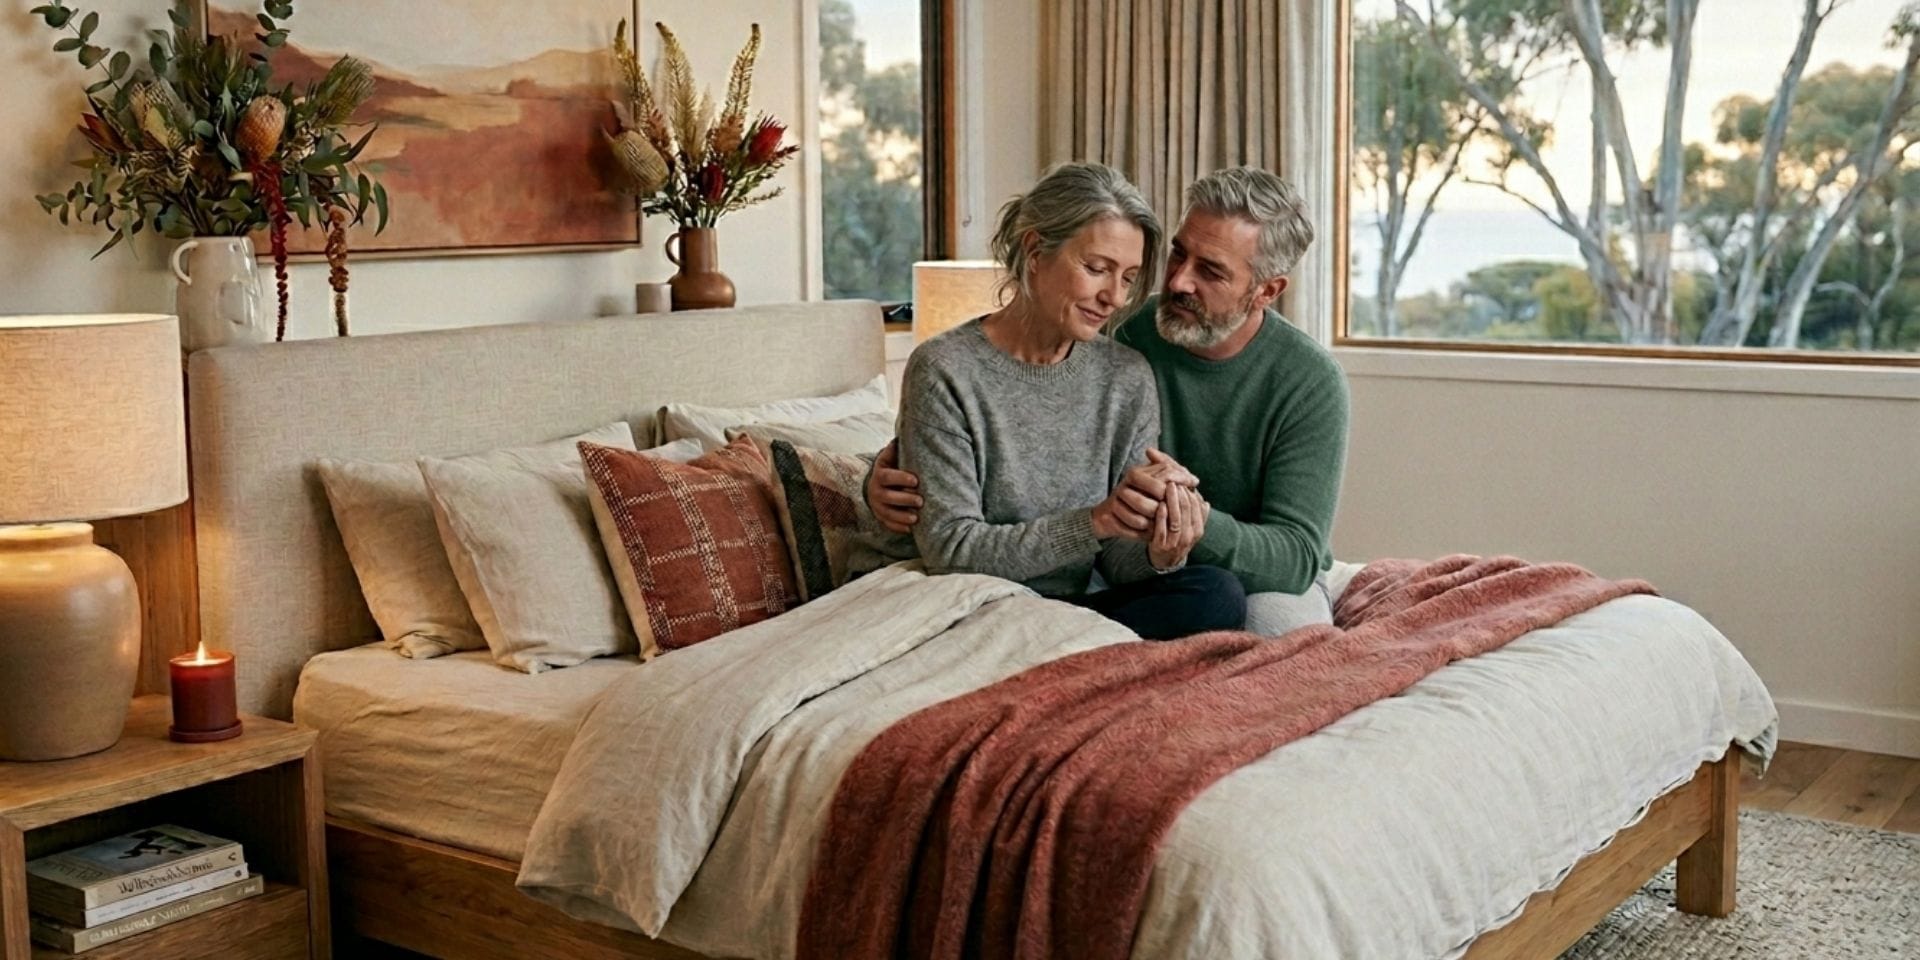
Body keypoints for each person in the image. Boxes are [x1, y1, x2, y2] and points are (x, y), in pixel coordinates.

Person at [871, 167, 1348, 637]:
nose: (1176, 282)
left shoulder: (1305, 381)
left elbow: (1295, 557)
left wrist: (1169, 544)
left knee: (1241, 613)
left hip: (1240, 570)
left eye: (1211, 271)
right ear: (1036, 251)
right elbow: (956, 528)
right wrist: (874, 478)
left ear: (1266, 290)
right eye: (1177, 255)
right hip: (1011, 583)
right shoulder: (1131, 327)